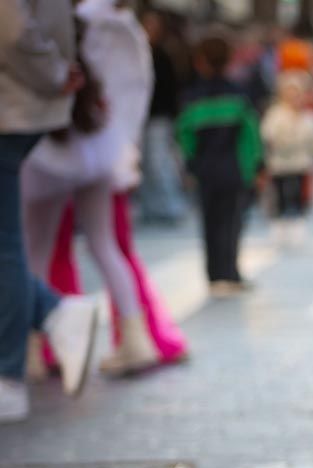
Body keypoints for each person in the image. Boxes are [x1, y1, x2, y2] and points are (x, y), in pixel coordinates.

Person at [22, 0, 168, 377]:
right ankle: (137, 339)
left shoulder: (71, 30)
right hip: (97, 146)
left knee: (36, 249)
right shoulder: (110, 33)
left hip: (51, 153)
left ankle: (31, 350)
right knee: (105, 245)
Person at [0, 0, 100, 422]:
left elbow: (12, 27)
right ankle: (52, 312)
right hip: (21, 101)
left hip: (12, 102)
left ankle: (9, 374)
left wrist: (55, 72)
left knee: (3, 243)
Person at [175, 32, 262, 297]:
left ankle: (213, 275)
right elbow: (251, 137)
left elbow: (184, 135)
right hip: (233, 169)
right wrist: (256, 167)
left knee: (209, 221)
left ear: (200, 61)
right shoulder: (239, 95)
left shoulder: (192, 97)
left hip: (205, 169)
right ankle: (230, 273)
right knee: (232, 222)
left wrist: (191, 164)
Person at [259, 69, 313, 247]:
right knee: (279, 197)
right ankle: (279, 227)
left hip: (301, 164)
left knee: (299, 197)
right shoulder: (275, 115)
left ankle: (297, 226)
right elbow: (267, 135)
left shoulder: (310, 117)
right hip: (279, 165)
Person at [136, 7, 187, 224]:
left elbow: (170, 89)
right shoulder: (137, 53)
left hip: (159, 116)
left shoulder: (163, 55)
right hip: (140, 116)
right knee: (144, 163)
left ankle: (170, 205)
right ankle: (151, 207)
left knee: (159, 162)